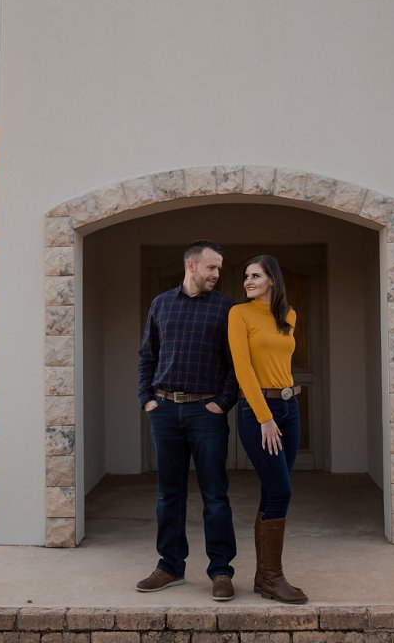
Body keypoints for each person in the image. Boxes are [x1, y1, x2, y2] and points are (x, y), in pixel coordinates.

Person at [136, 239, 239, 602]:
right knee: (169, 494)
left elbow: (234, 364)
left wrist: (223, 403)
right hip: (164, 410)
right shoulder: (160, 304)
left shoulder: (227, 308)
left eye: (219, 270)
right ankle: (170, 565)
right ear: (191, 266)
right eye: (212, 268)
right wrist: (146, 399)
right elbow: (147, 354)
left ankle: (221, 571)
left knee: (215, 495)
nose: (217, 275)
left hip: (205, 413)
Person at [227, 254, 308, 604]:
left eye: (255, 276)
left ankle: (264, 577)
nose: (248, 281)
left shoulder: (289, 316)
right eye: (246, 276)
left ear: (272, 280)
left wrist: (285, 400)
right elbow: (243, 369)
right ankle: (274, 578)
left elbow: (281, 363)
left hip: (289, 406)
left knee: (274, 490)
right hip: (258, 411)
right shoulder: (239, 314)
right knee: (281, 491)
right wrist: (264, 416)